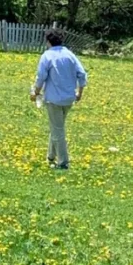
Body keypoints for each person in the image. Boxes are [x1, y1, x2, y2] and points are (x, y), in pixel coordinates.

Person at [30, 28, 87, 170]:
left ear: (47, 41)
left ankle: (63, 162)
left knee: (58, 130)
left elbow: (41, 77)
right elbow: (82, 74)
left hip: (54, 99)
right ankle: (50, 156)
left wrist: (35, 92)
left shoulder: (47, 56)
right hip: (69, 98)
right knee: (56, 126)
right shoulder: (70, 55)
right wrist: (79, 92)